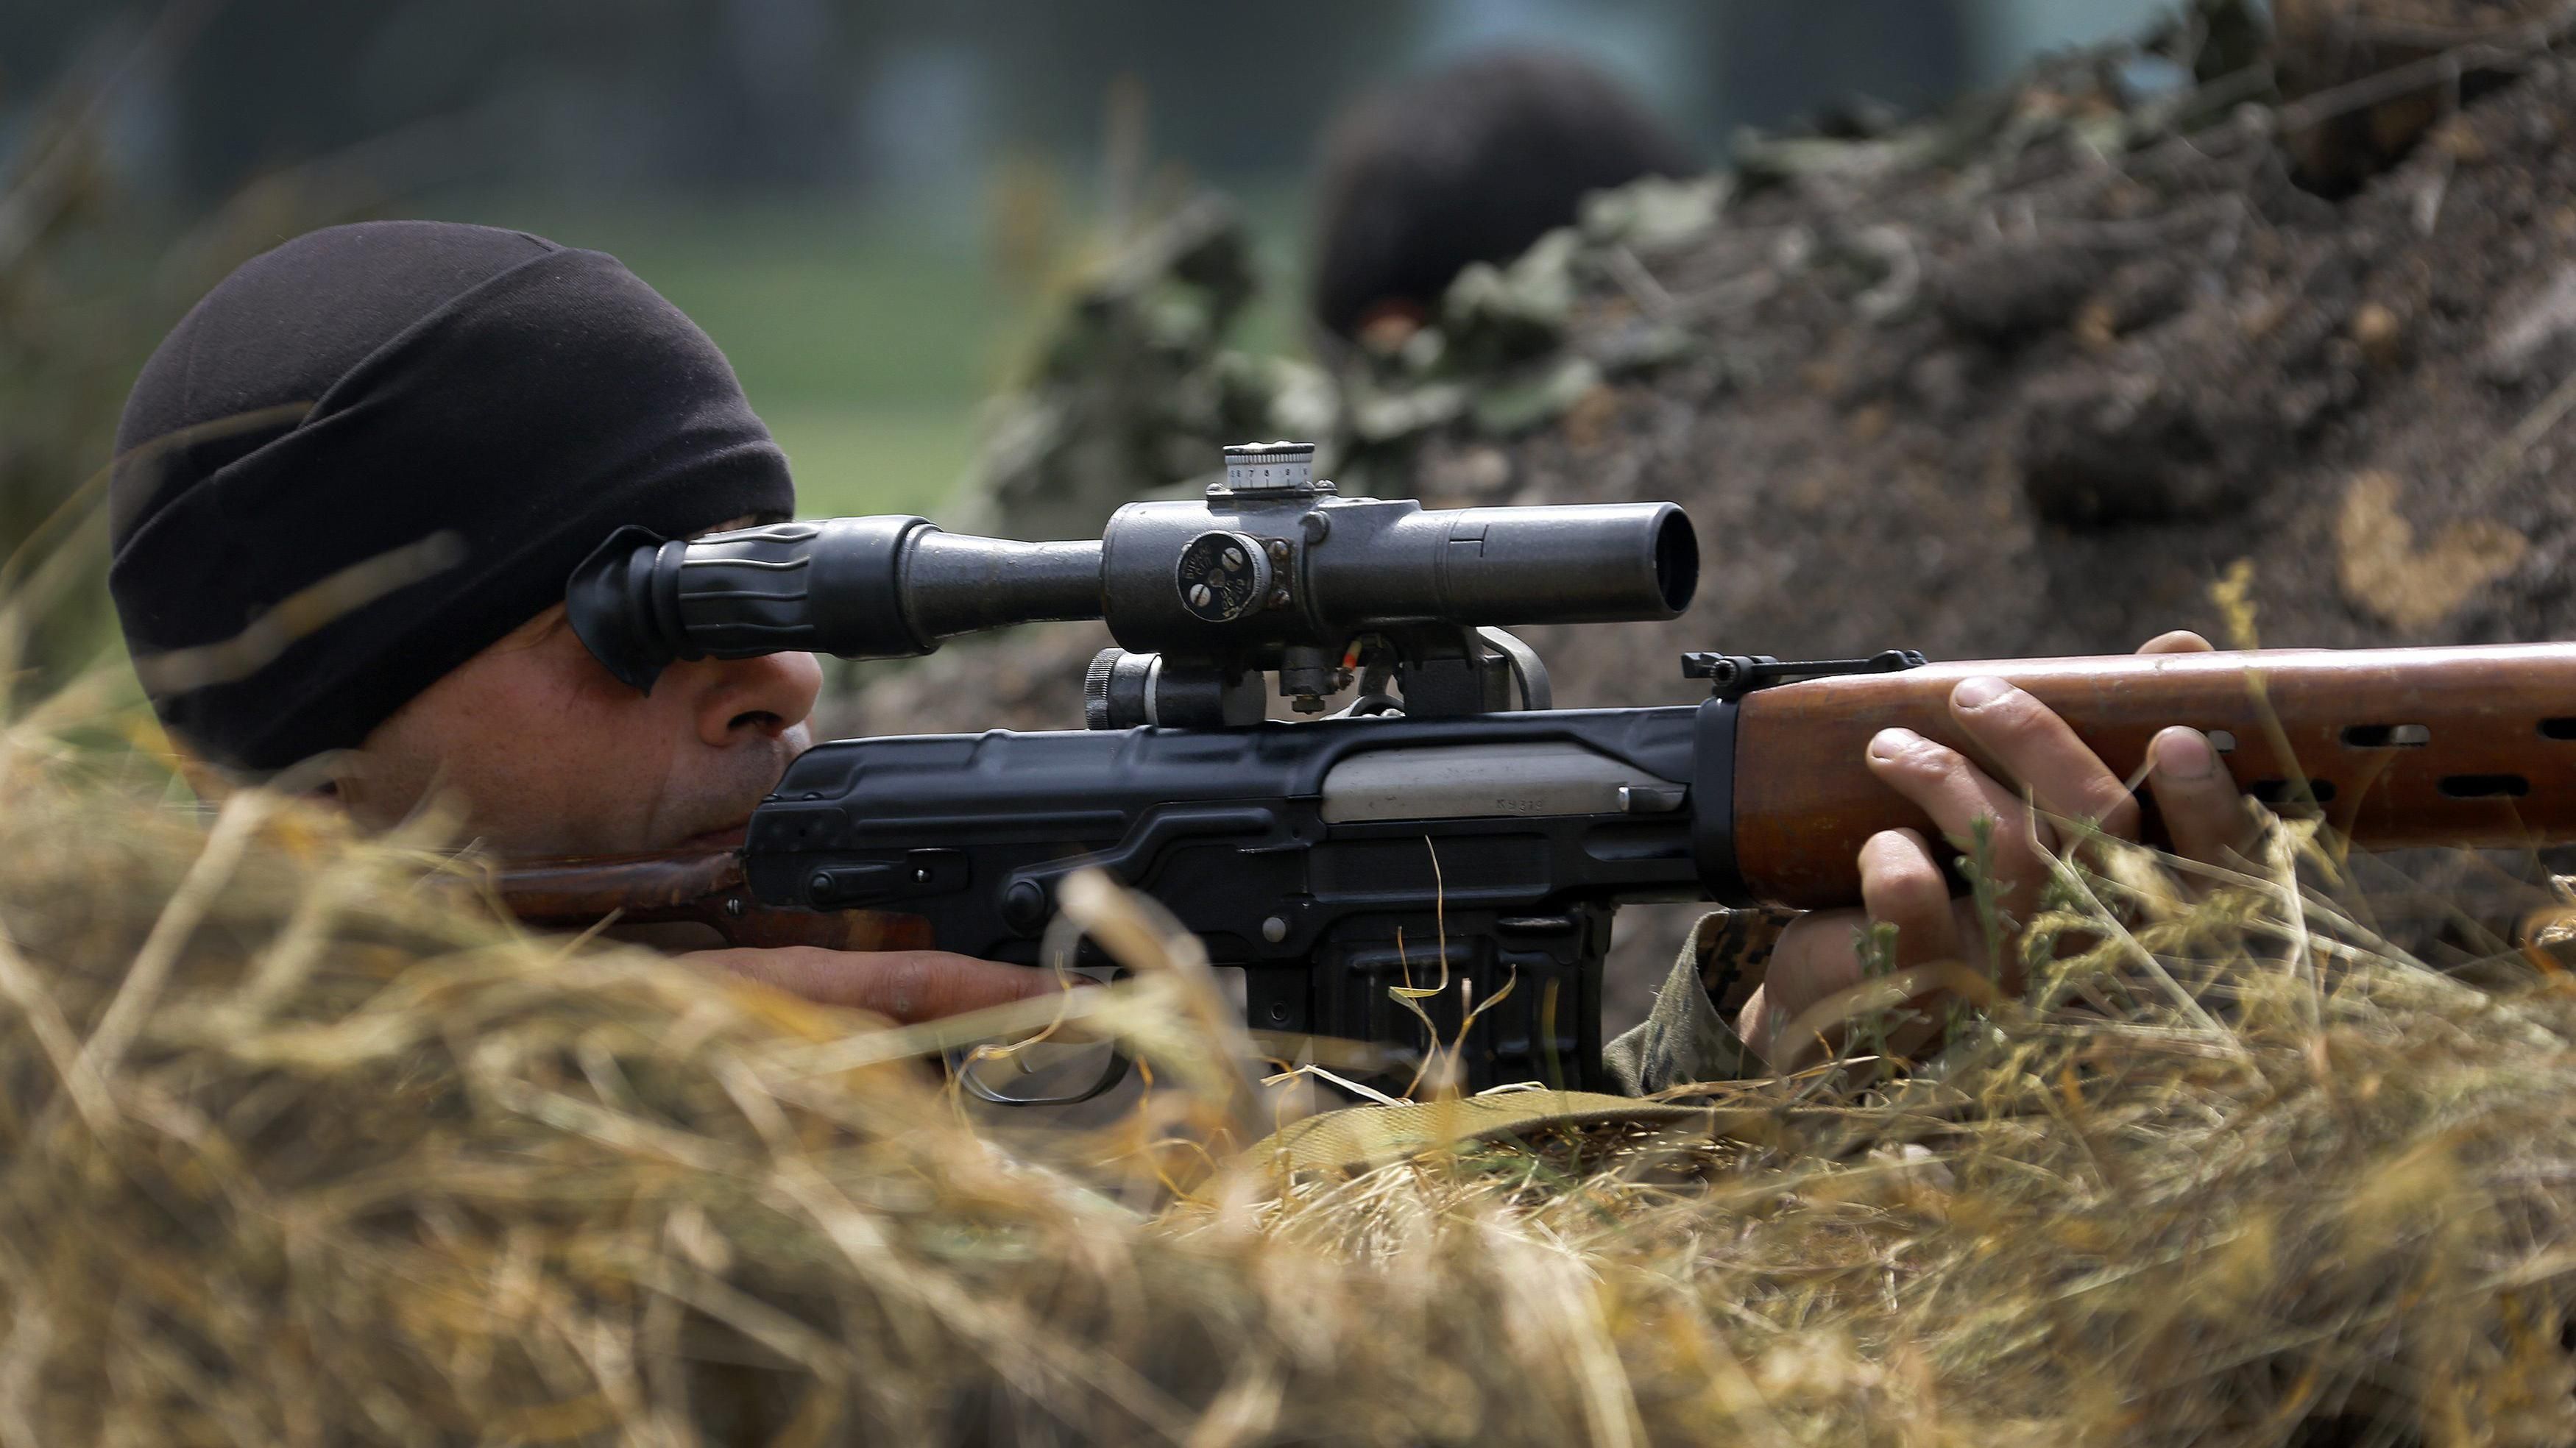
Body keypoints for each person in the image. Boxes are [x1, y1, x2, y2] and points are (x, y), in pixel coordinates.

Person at [109, 219, 2253, 1082]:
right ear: (300, 773)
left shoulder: (989, 980)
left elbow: (1486, 1284)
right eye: (624, 614)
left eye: (771, 581)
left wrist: (1797, 1072)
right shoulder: (177, 1212)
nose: (768, 674)